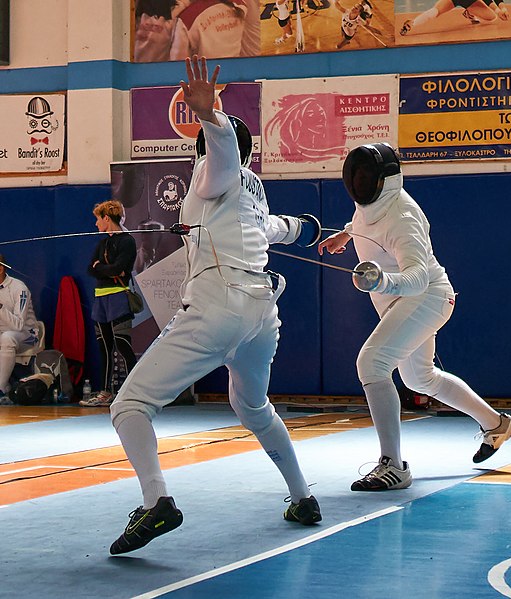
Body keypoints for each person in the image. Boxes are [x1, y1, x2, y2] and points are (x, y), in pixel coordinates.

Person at [108, 55, 322, 555]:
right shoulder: (252, 192)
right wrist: (309, 230)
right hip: (261, 314)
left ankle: (156, 500)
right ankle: (302, 497)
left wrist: (211, 116)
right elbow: (276, 228)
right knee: (252, 405)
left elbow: (221, 155)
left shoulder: (210, 170)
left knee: (129, 405)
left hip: (218, 307)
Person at [318, 143, 511, 491]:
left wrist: (382, 279)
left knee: (372, 364)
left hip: (426, 297)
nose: (361, 182)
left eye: (366, 176)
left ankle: (393, 466)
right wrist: (346, 234)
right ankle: (497, 424)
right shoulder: (371, 207)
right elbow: (365, 220)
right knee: (420, 379)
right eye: (358, 176)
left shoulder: (403, 216)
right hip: (403, 302)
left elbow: (417, 278)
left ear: (385, 180)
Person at [81, 200, 138, 407]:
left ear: (106, 218)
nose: (96, 224)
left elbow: (119, 269)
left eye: (98, 219)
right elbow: (91, 269)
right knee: (104, 347)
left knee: (123, 346)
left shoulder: (127, 241)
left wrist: (103, 267)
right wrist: (110, 269)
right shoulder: (102, 243)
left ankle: (134, 391)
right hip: (101, 298)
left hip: (119, 297)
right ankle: (106, 392)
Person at [0, 255, 40, 405]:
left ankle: (1, 388)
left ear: (0, 269)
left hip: (30, 335)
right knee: (6, 337)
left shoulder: (19, 288)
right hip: (5, 335)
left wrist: (0, 308)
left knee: (8, 337)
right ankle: (7, 385)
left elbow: (18, 325)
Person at [400, 0, 508, 35]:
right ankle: (412, 23)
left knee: (491, 17)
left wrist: (502, 8)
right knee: (434, 12)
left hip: (470, 1)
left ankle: (469, 13)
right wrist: (498, 10)